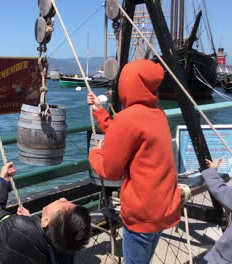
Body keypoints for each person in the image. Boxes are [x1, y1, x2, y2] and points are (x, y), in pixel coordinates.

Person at [87, 59, 181, 263]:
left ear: (126, 84)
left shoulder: (126, 118)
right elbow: (126, 134)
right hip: (163, 208)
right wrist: (100, 111)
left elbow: (110, 171)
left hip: (141, 212)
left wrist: (94, 154)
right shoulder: (158, 114)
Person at [0, 162, 91, 264]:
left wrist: (2, 181)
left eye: (63, 203)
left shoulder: (17, 226)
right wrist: (31, 223)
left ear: (45, 221)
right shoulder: (68, 246)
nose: (63, 198)